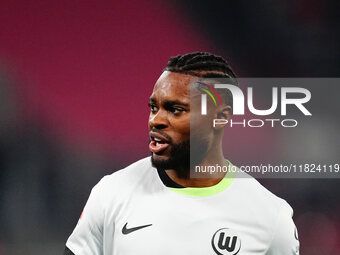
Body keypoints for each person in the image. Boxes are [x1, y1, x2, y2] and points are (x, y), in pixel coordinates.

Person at [64, 52, 300, 255]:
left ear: (220, 117)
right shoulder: (111, 193)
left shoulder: (271, 217)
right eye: (154, 107)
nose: (156, 120)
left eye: (175, 110)